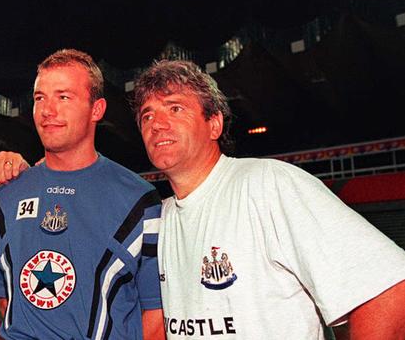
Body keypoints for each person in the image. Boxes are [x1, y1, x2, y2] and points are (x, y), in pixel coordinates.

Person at [130, 59, 405, 339]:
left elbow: (387, 291)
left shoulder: (268, 184)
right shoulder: (158, 220)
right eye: (147, 116)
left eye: (175, 108)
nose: (157, 124)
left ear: (214, 124)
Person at [0, 49, 165, 339]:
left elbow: (155, 315)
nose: (48, 110)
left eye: (63, 97)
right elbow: (8, 300)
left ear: (97, 109)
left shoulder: (139, 201)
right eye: (40, 98)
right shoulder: (5, 197)